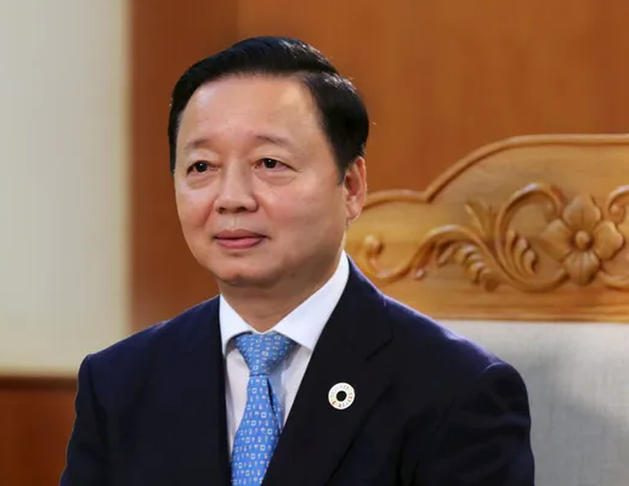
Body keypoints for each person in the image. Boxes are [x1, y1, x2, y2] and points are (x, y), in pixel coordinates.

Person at [60, 36, 534, 486]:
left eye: (270, 163)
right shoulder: (119, 384)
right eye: (201, 167)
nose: (232, 198)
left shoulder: (456, 390)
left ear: (351, 187)